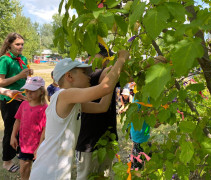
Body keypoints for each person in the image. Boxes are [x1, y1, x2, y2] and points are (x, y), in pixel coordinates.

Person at [29, 50, 130, 180]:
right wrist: (121, 59)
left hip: (55, 168)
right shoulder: (64, 95)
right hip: (49, 171)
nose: (89, 76)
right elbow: (104, 88)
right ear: (69, 76)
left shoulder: (70, 102)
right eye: (84, 72)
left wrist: (110, 80)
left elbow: (102, 107)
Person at [75, 44, 120, 180]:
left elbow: (129, 75)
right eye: (104, 55)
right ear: (90, 57)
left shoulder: (112, 75)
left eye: (109, 56)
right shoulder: (90, 76)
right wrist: (122, 59)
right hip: (89, 140)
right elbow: (110, 74)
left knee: (103, 176)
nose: (108, 59)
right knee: (86, 176)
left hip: (107, 137)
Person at [0, 32, 33, 172]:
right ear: (9, 45)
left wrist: (28, 74)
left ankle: (20, 153)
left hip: (22, 99)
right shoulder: (4, 60)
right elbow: (1, 82)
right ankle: (7, 161)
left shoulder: (23, 58)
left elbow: (24, 78)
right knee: (10, 130)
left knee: (22, 128)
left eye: (22, 44)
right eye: (17, 44)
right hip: (8, 100)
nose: (20, 47)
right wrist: (19, 75)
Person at [10, 76, 47, 180]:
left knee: (38, 173)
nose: (29, 93)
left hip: (38, 148)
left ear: (41, 91)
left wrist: (39, 147)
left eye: (33, 91)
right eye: (27, 90)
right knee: (23, 170)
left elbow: (45, 129)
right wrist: (13, 136)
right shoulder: (24, 104)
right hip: (25, 144)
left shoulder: (44, 108)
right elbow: (18, 120)